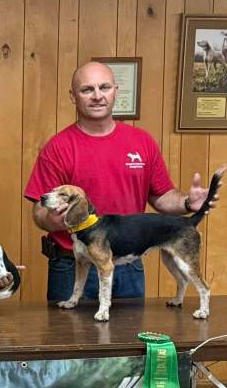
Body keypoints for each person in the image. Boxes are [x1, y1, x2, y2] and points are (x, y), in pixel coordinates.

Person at [25, 60, 216, 302]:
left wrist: (187, 203)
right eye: (87, 89)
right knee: (69, 328)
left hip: (128, 263)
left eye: (104, 87)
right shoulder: (57, 148)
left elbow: (162, 196)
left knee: (132, 328)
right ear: (73, 96)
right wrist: (51, 220)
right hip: (73, 262)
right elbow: (39, 212)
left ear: (116, 91)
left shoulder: (142, 142)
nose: (97, 96)